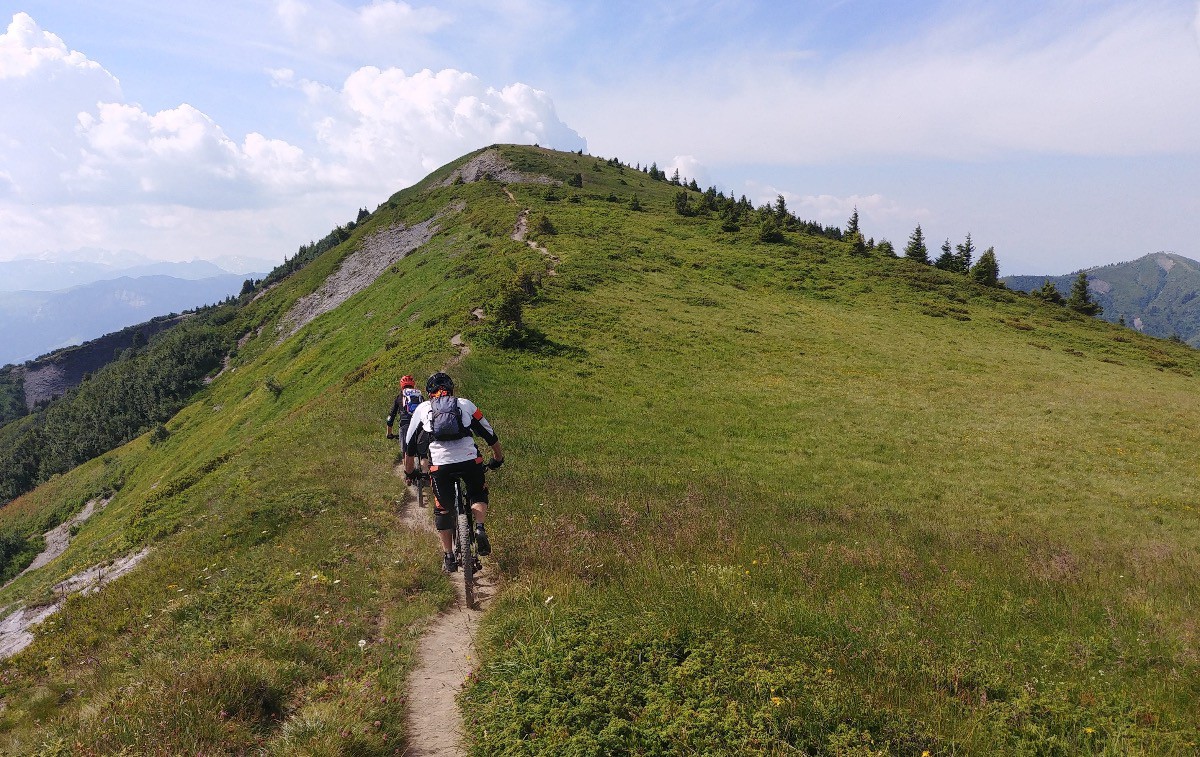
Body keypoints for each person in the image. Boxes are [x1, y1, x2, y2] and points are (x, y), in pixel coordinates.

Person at [403, 372, 504, 573]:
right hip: (469, 460)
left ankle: (449, 556)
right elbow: (489, 433)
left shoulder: (423, 409)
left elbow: (409, 446)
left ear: (429, 392)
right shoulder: (465, 404)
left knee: (442, 509)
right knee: (477, 493)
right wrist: (498, 458)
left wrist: (410, 472)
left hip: (440, 465)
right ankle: (480, 527)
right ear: (452, 389)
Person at [385, 375, 425, 456]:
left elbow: (390, 418)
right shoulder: (419, 395)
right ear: (413, 385)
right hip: (419, 424)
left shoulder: (400, 397)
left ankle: (407, 468)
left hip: (405, 424)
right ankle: (424, 467)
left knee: (406, 452)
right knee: (423, 453)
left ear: (401, 386)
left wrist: (389, 434)